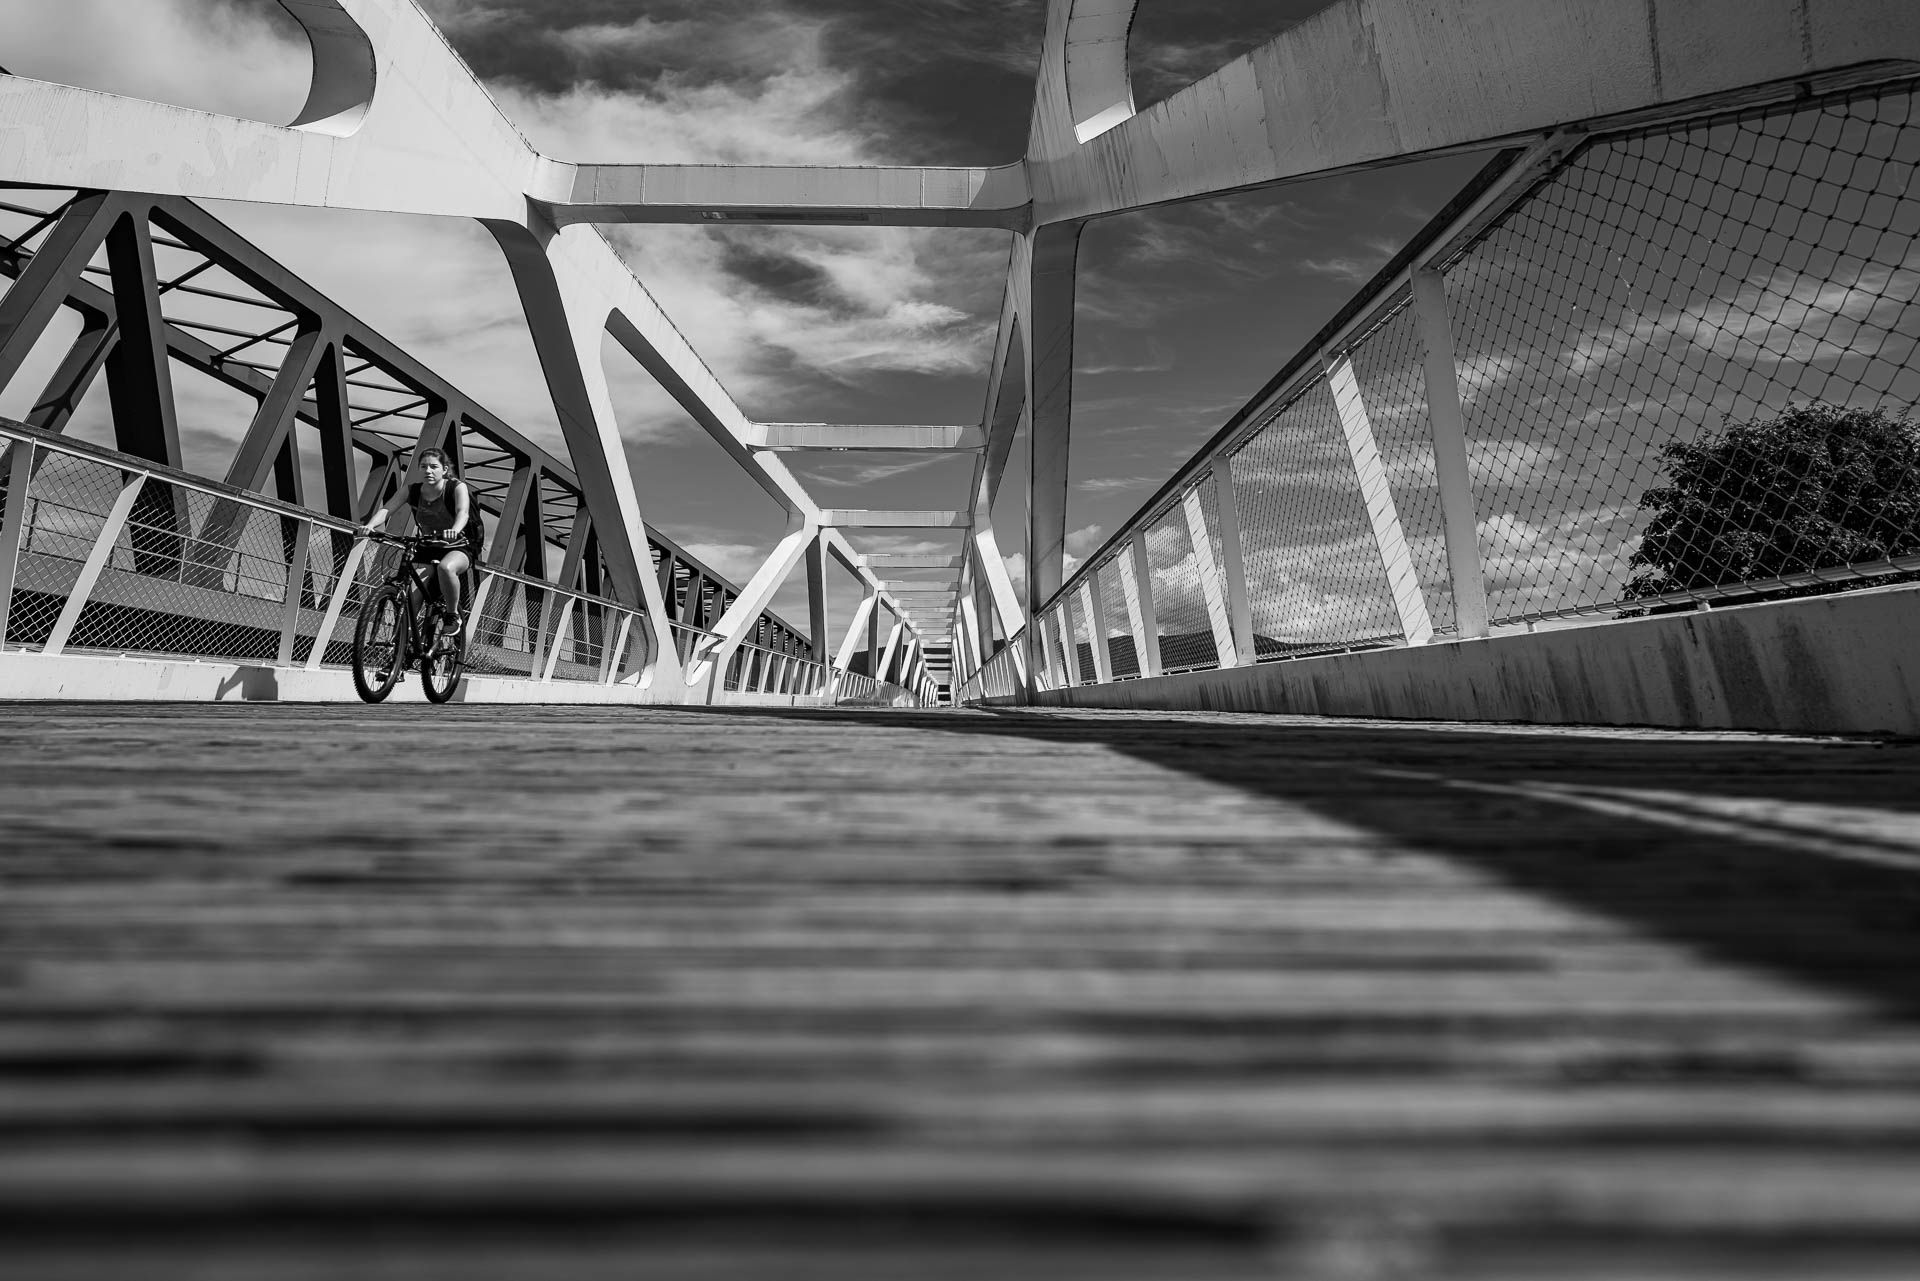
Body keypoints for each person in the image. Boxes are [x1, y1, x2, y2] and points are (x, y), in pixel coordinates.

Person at [359, 448, 475, 640]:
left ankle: (452, 616)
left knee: (446, 568)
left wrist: (455, 529)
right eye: (424, 466)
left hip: (457, 545)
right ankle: (401, 653)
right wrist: (370, 526)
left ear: (444, 469)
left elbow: (463, 512)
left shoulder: (456, 487)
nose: (428, 471)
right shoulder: (411, 490)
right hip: (428, 546)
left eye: (434, 467)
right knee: (410, 601)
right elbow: (387, 509)